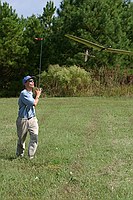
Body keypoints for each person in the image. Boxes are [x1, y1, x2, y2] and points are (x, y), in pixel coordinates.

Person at [16, 75, 42, 159]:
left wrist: (36, 94)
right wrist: (38, 95)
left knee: (35, 137)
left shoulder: (31, 93)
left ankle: (31, 156)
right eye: (30, 81)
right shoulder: (24, 93)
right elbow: (34, 103)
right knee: (21, 139)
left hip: (32, 119)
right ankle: (19, 156)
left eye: (33, 81)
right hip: (23, 119)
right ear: (25, 83)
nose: (32, 82)